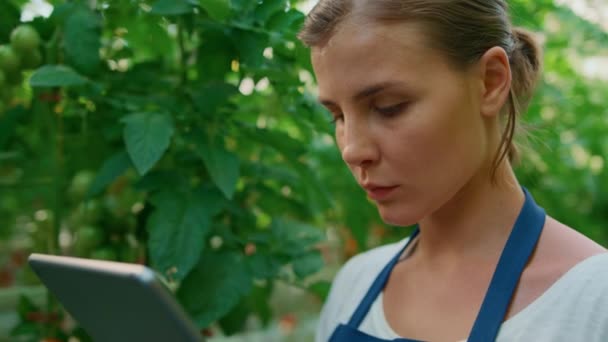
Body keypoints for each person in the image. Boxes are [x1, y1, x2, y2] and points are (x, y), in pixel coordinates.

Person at [298, 1, 608, 341]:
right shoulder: (354, 284)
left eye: (389, 108)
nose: (351, 149)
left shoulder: (593, 302)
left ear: (491, 81)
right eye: (338, 117)